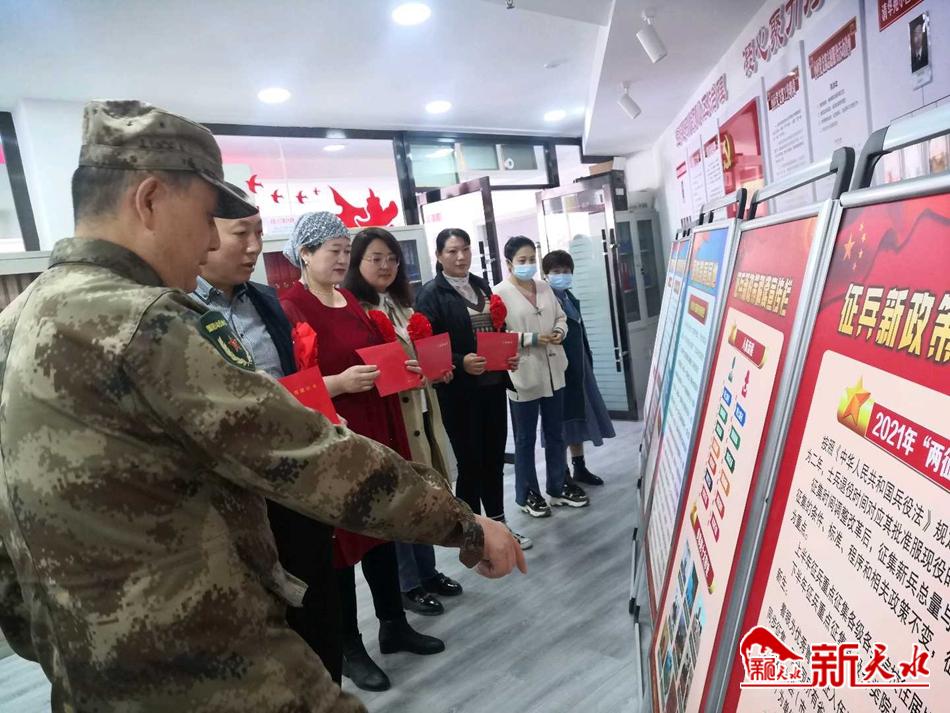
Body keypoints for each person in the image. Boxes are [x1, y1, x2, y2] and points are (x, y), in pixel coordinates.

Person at [0, 100, 525, 713]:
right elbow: (305, 453)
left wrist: (59, 641)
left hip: (91, 671)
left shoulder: (16, 320)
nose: (209, 241)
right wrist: (464, 526)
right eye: (207, 218)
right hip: (202, 667)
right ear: (149, 200)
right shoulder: (144, 321)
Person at [278, 211, 447, 693]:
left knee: (382, 531)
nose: (342, 259)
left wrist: (401, 367)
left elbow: (373, 356)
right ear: (305, 253)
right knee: (342, 547)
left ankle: (393, 623)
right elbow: (287, 389)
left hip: (377, 424)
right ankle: (350, 647)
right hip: (337, 437)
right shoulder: (290, 307)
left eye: (345, 251)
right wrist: (338, 384)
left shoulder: (350, 299)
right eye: (333, 250)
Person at [190, 186, 344, 683]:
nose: (256, 246)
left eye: (260, 233)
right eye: (242, 233)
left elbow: (296, 381)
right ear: (201, 231)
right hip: (228, 502)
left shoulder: (267, 301)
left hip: (295, 483)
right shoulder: (175, 312)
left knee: (317, 606)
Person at [343, 227, 463, 617]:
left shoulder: (400, 305)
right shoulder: (356, 312)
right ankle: (408, 583)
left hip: (422, 412)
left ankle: (427, 572)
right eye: (376, 258)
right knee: (400, 503)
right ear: (357, 263)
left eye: (392, 259)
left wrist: (437, 369)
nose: (386, 266)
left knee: (425, 495)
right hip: (391, 419)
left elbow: (419, 357)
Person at [414, 229, 532, 550]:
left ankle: (499, 526)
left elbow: (497, 329)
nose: (461, 256)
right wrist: (460, 361)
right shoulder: (431, 294)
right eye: (452, 251)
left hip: (492, 387)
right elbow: (426, 347)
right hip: (458, 394)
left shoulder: (481, 285)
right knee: (470, 463)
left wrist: (507, 354)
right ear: (439, 256)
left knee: (493, 459)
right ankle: (472, 535)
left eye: (465, 249)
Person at [493, 236, 589, 521]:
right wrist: (531, 338)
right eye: (522, 261)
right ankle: (527, 493)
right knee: (525, 438)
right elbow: (499, 336)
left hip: (554, 369)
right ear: (509, 263)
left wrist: (559, 332)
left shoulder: (545, 287)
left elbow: (561, 318)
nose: (528, 265)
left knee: (555, 433)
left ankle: (558, 486)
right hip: (523, 373)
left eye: (531, 260)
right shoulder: (498, 294)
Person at [540, 249, 615, 486]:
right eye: (556, 271)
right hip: (558, 369)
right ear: (546, 274)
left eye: (566, 271)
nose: (562, 275)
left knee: (578, 417)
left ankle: (579, 467)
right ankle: (561, 474)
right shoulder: (544, 300)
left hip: (579, 366)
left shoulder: (568, 298)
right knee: (560, 420)